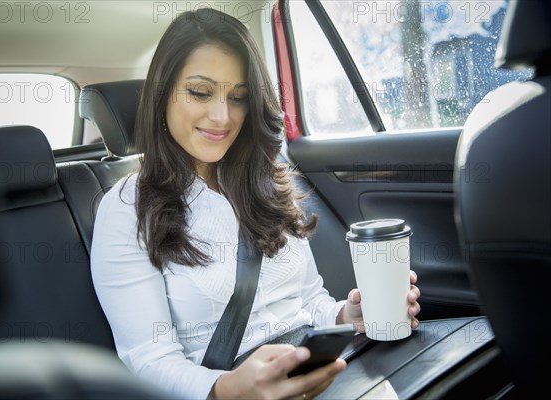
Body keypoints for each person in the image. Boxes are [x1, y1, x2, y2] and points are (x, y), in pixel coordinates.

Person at [90, 7, 421, 400]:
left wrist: (346, 316)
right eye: (200, 92)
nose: (222, 116)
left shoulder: (266, 180)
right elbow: (148, 360)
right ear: (162, 96)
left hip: (314, 376)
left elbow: (307, 300)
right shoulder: (127, 207)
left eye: (239, 98)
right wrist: (228, 388)